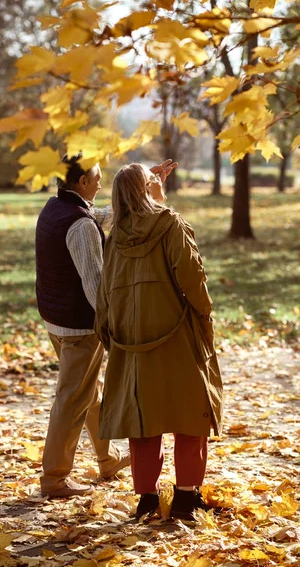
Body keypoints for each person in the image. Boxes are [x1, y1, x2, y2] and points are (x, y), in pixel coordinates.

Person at [35, 152, 176, 498]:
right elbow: (94, 282)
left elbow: (102, 216)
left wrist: (141, 189)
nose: (101, 180)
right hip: (80, 327)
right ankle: (54, 479)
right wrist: (112, 323)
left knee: (88, 392)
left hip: (57, 320)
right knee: (72, 399)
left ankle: (107, 459)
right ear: (82, 182)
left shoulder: (57, 208)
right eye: (97, 176)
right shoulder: (80, 225)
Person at [94, 162, 223, 521]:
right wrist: (205, 319)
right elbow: (194, 280)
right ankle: (185, 498)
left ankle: (147, 499)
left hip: (130, 343)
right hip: (176, 335)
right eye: (154, 182)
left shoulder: (115, 237)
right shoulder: (171, 225)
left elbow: (104, 294)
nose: (161, 186)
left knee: (143, 420)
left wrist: (108, 334)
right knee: (189, 415)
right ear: (146, 191)